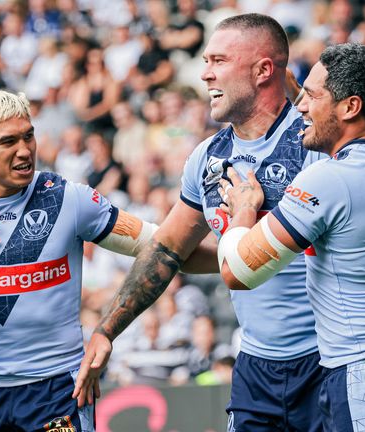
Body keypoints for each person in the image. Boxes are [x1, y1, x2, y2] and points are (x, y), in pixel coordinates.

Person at [0, 90, 215, 432]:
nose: (25, 151)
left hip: (56, 391)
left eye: (29, 135)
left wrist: (240, 259)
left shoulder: (69, 199)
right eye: (8, 142)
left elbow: (166, 247)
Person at [75, 14, 326, 431]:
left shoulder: (317, 144)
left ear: (265, 70)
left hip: (328, 362)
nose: (205, 73)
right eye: (205, 60)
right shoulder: (207, 157)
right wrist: (106, 330)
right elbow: (170, 250)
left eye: (219, 60)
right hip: (255, 368)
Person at [216, 43, 365, 431]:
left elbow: (239, 272)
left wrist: (243, 209)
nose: (301, 107)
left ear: (350, 107)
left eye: (311, 96)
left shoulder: (329, 180)